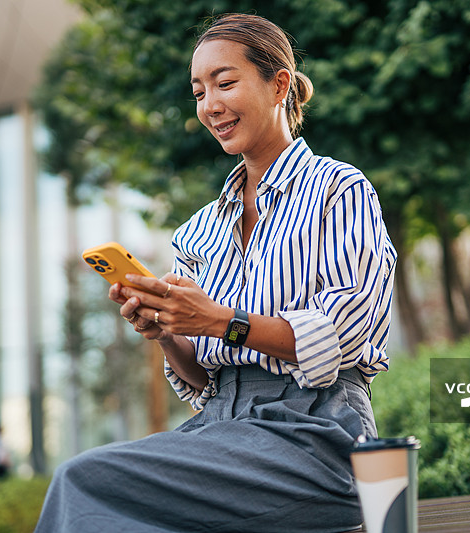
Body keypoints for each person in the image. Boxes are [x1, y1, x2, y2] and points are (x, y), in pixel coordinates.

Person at [35, 13, 395, 533]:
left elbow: (343, 337)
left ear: (279, 85)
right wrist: (166, 333)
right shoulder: (198, 232)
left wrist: (220, 320)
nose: (210, 106)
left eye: (225, 83)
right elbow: (205, 379)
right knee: (100, 499)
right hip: (222, 430)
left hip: (316, 439)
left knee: (85, 480)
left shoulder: (338, 190)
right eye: (199, 92)